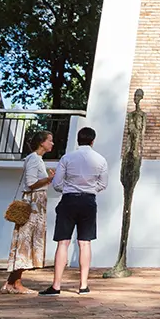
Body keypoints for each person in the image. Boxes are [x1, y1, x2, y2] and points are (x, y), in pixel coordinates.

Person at [41, 126, 108, 296]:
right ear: (93, 141)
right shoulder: (100, 159)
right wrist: (90, 188)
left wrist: (68, 188)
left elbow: (56, 184)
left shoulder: (67, 158)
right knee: (85, 242)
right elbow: (103, 184)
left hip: (69, 200)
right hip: (88, 201)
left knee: (63, 242)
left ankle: (56, 286)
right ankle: (83, 285)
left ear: (78, 140)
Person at [1, 131, 56, 294]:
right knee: (25, 241)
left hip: (38, 205)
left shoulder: (37, 159)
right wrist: (49, 179)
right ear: (42, 143)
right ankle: (15, 283)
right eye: (50, 141)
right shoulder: (33, 159)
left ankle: (12, 282)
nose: (52, 143)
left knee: (28, 241)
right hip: (33, 205)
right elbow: (30, 183)